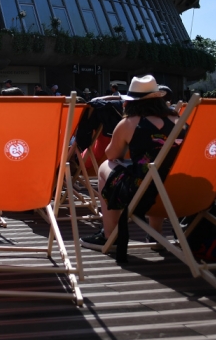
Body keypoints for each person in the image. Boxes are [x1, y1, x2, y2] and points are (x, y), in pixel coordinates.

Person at [80, 75, 186, 252]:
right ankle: (156, 232)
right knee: (161, 169)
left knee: (107, 167)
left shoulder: (130, 123)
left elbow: (112, 154)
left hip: (143, 194)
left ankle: (109, 234)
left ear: (131, 102)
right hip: (180, 191)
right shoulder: (181, 123)